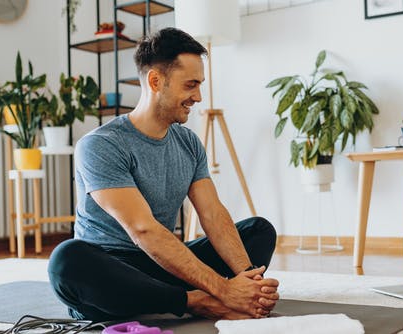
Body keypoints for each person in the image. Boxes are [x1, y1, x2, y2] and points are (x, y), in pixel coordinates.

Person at [47, 27, 280, 322]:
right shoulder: (100, 144)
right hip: (113, 273)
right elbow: (143, 229)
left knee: (258, 231)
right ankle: (198, 302)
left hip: (164, 265)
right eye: (190, 85)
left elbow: (212, 213)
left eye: (200, 85)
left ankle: (188, 297)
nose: (197, 97)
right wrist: (223, 290)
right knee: (67, 261)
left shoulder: (188, 143)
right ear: (156, 81)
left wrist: (249, 282)